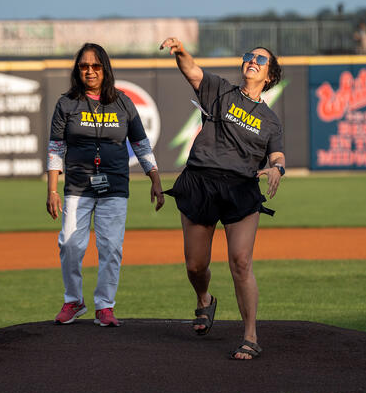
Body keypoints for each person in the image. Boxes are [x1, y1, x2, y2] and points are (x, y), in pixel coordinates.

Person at [159, 37, 286, 360]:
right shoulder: (220, 90)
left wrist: (277, 169)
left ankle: (250, 336)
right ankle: (204, 299)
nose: (252, 61)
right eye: (249, 56)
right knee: (195, 265)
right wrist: (182, 52)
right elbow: (193, 72)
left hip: (240, 189)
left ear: (269, 76)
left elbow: (278, 155)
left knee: (241, 262)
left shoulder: (270, 120)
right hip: (200, 182)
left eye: (260, 59)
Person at [47, 42, 164, 327]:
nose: (90, 71)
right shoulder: (66, 103)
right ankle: (74, 301)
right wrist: (52, 189)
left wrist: (155, 179)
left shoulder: (123, 102)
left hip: (114, 186)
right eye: (84, 66)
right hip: (77, 185)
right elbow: (55, 148)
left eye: (96, 66)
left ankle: (105, 306)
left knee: (110, 246)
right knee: (71, 244)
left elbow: (140, 143)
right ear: (78, 70)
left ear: (105, 69)